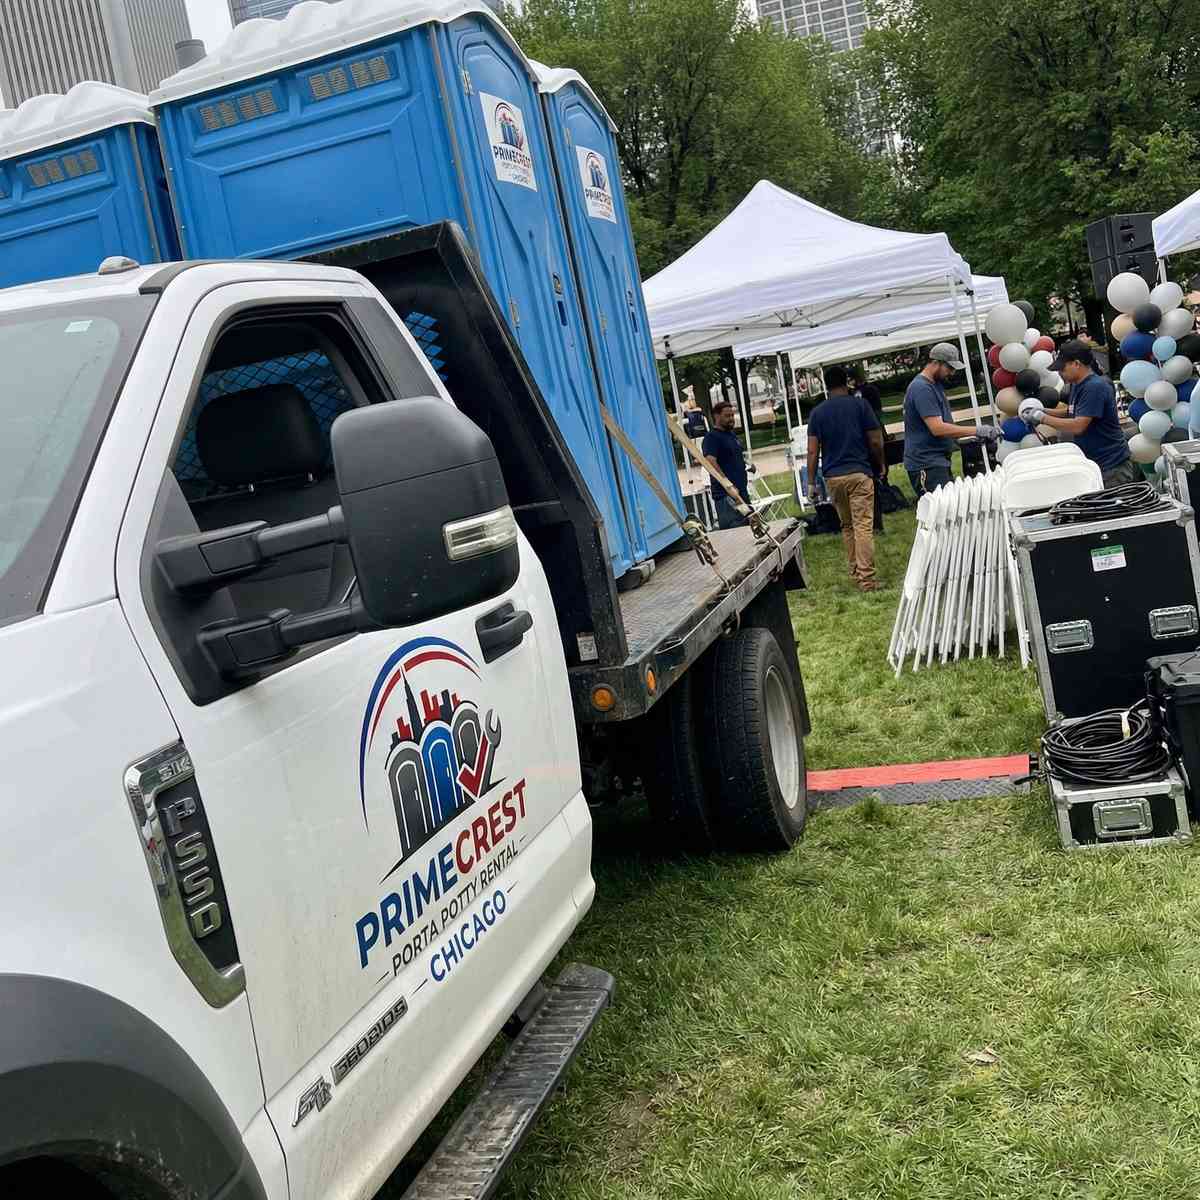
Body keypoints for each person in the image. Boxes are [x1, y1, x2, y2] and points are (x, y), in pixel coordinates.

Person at [807, 366, 886, 591]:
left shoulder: (817, 413)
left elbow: (813, 451)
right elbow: (875, 440)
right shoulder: (860, 405)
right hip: (859, 472)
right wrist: (880, 464)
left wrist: (811, 482)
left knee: (848, 526)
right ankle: (867, 579)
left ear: (825, 384)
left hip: (833, 477)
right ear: (847, 382)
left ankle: (855, 573)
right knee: (863, 526)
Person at [1029, 339, 1138, 488]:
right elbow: (1072, 411)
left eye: (1063, 368)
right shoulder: (1077, 385)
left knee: (1114, 510)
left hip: (1111, 467)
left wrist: (1042, 418)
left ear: (1076, 364)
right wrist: (1043, 410)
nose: (1060, 373)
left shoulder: (1094, 387)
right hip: (1095, 466)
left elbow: (1079, 425)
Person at [902, 342, 996, 496]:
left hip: (937, 460)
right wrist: (977, 430)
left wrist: (968, 438)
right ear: (936, 362)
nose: (952, 373)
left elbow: (944, 425)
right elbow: (938, 428)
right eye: (949, 368)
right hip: (926, 463)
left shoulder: (934, 385)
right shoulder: (921, 388)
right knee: (939, 513)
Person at [702, 401, 751, 528]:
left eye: (732, 415)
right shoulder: (711, 437)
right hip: (726, 497)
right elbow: (710, 462)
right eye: (727, 416)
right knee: (735, 531)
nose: (731, 419)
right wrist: (727, 485)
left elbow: (735, 454)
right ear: (716, 416)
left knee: (747, 527)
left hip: (741, 492)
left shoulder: (731, 435)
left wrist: (749, 464)